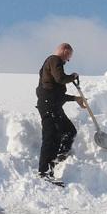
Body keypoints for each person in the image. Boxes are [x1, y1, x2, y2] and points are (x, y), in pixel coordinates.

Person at [36, 43, 87, 182]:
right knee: (51, 137)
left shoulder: (53, 68)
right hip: (49, 106)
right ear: (64, 51)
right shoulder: (54, 59)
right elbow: (60, 79)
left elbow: (56, 94)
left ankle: (58, 158)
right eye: (68, 57)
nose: (67, 61)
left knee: (69, 131)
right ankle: (44, 172)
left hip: (53, 105)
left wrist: (75, 98)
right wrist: (72, 76)